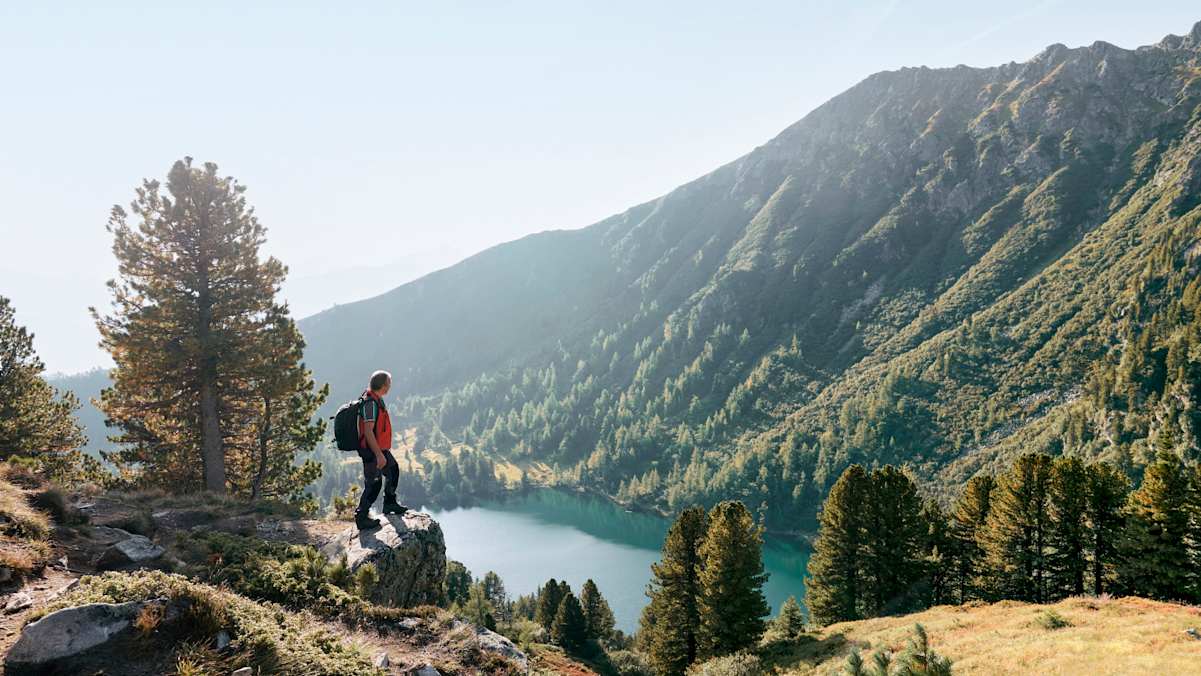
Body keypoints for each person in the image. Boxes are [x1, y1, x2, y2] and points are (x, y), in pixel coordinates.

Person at [355, 370, 407, 530]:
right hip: (371, 451)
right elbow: (368, 431)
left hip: (380, 449)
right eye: (389, 383)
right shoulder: (370, 403)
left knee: (393, 470)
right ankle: (361, 517)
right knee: (373, 484)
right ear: (383, 385)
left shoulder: (377, 400)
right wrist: (378, 455)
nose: (390, 386)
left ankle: (389, 503)